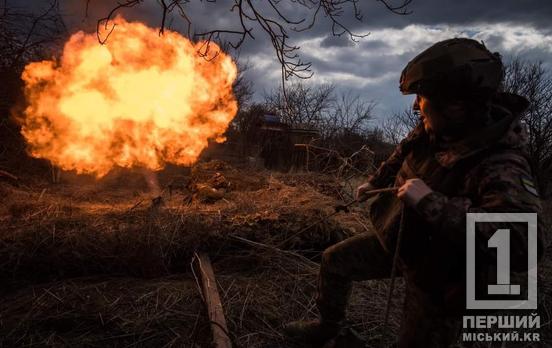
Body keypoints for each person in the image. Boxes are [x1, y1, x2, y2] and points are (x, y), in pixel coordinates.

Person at [283, 38, 545, 347]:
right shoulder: (435, 127)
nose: (415, 105)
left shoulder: (500, 162)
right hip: (401, 241)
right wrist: (374, 180)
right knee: (335, 261)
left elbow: (521, 242)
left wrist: (431, 203)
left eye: (422, 97)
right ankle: (330, 328)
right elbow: (401, 153)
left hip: (441, 274)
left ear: (456, 106)